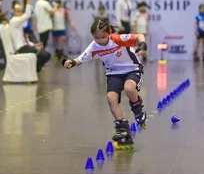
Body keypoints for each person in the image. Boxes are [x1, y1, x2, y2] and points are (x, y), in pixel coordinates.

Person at [62, 18, 147, 149]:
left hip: (132, 68)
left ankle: (137, 107)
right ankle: (122, 128)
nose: (100, 41)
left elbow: (139, 36)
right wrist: (70, 63)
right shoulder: (94, 46)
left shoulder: (117, 39)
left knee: (129, 88)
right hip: (113, 73)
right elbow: (79, 59)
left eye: (103, 37)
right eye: (97, 38)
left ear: (109, 33)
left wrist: (142, 44)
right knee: (111, 98)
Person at [9, 0, 51, 72]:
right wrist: (28, 0)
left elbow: (24, 40)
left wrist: (34, 45)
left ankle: (33, 70)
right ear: (14, 12)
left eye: (21, 11)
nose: (20, 13)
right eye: (18, 11)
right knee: (44, 55)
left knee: (47, 54)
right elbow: (27, 15)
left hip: (24, 47)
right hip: (20, 49)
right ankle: (33, 70)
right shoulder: (14, 21)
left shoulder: (18, 23)